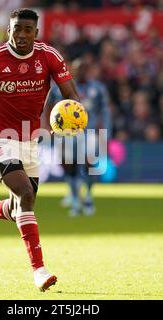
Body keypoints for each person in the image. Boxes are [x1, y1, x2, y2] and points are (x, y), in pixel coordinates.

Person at [0, 8, 80, 292]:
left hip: (30, 139)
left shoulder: (49, 56)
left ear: (36, 32)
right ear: (8, 30)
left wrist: (75, 116)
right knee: (25, 194)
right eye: (16, 29)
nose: (21, 35)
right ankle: (39, 271)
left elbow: (71, 96)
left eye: (27, 30)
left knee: (19, 206)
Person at [44, 58, 111, 217]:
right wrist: (48, 127)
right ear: (72, 70)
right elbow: (48, 107)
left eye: (84, 69)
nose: (81, 72)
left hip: (89, 132)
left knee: (89, 163)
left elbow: (105, 112)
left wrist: (105, 133)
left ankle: (87, 195)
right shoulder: (59, 88)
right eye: (78, 69)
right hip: (65, 133)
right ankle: (74, 197)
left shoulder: (97, 89)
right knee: (69, 165)